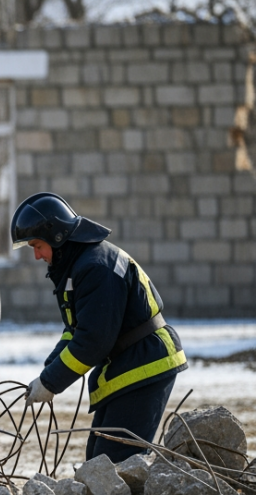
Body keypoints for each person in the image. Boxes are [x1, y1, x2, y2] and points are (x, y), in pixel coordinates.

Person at [11, 192, 187, 462]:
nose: (36, 256)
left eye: (38, 246)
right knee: (98, 459)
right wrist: (50, 369)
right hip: (129, 363)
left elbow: (92, 341)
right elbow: (75, 330)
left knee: (114, 461)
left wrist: (50, 382)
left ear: (57, 237)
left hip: (144, 364)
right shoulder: (78, 265)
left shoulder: (95, 267)